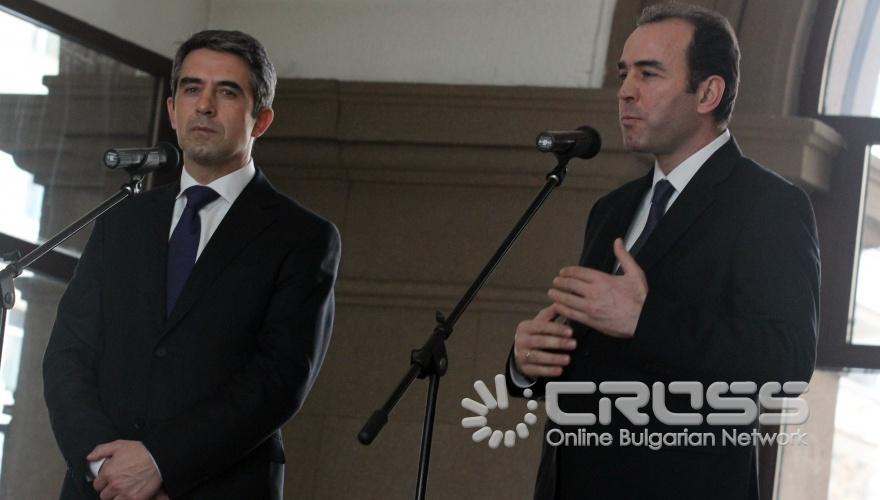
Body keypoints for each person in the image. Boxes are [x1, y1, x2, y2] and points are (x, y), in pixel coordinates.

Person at [506, 4, 818, 499]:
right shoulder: (613, 208)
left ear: (708, 93)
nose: (626, 91)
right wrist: (529, 363)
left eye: (649, 73)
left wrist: (644, 319)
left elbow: (785, 365)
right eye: (624, 74)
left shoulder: (768, 204)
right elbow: (599, 359)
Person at [43, 30, 340, 500]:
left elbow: (278, 380)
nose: (204, 105)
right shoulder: (121, 221)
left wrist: (160, 462)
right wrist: (104, 467)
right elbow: (67, 357)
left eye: (227, 92)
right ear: (171, 109)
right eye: (191, 88)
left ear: (261, 119)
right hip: (100, 488)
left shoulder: (301, 237)